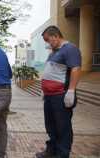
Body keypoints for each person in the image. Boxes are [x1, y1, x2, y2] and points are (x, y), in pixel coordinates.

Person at [35, 26, 81, 158]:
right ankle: (52, 150)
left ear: (55, 36)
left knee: (62, 127)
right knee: (50, 125)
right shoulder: (54, 52)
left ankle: (62, 154)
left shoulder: (70, 49)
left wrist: (71, 91)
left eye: (48, 40)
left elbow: (76, 69)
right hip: (49, 96)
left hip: (61, 95)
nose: (48, 44)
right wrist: (45, 90)